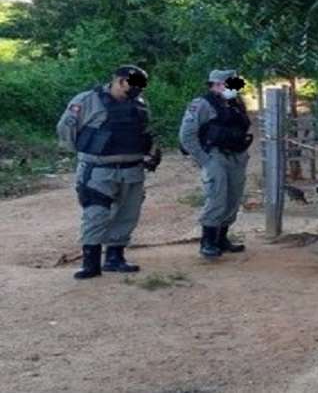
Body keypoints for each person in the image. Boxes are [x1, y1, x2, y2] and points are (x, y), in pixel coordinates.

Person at [57, 66, 162, 279]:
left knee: (127, 214)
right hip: (98, 170)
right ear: (121, 81)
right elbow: (66, 129)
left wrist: (149, 153)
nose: (139, 90)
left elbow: (143, 132)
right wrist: (84, 153)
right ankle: (91, 263)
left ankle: (115, 258)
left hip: (132, 169)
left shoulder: (140, 104)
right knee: (96, 214)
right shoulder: (87, 100)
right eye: (135, 85)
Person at [179, 70, 252, 259]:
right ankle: (208, 242)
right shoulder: (202, 104)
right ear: (217, 84)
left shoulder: (236, 103)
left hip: (236, 155)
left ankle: (222, 239)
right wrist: (204, 159)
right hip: (215, 155)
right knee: (217, 198)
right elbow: (187, 135)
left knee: (233, 199)